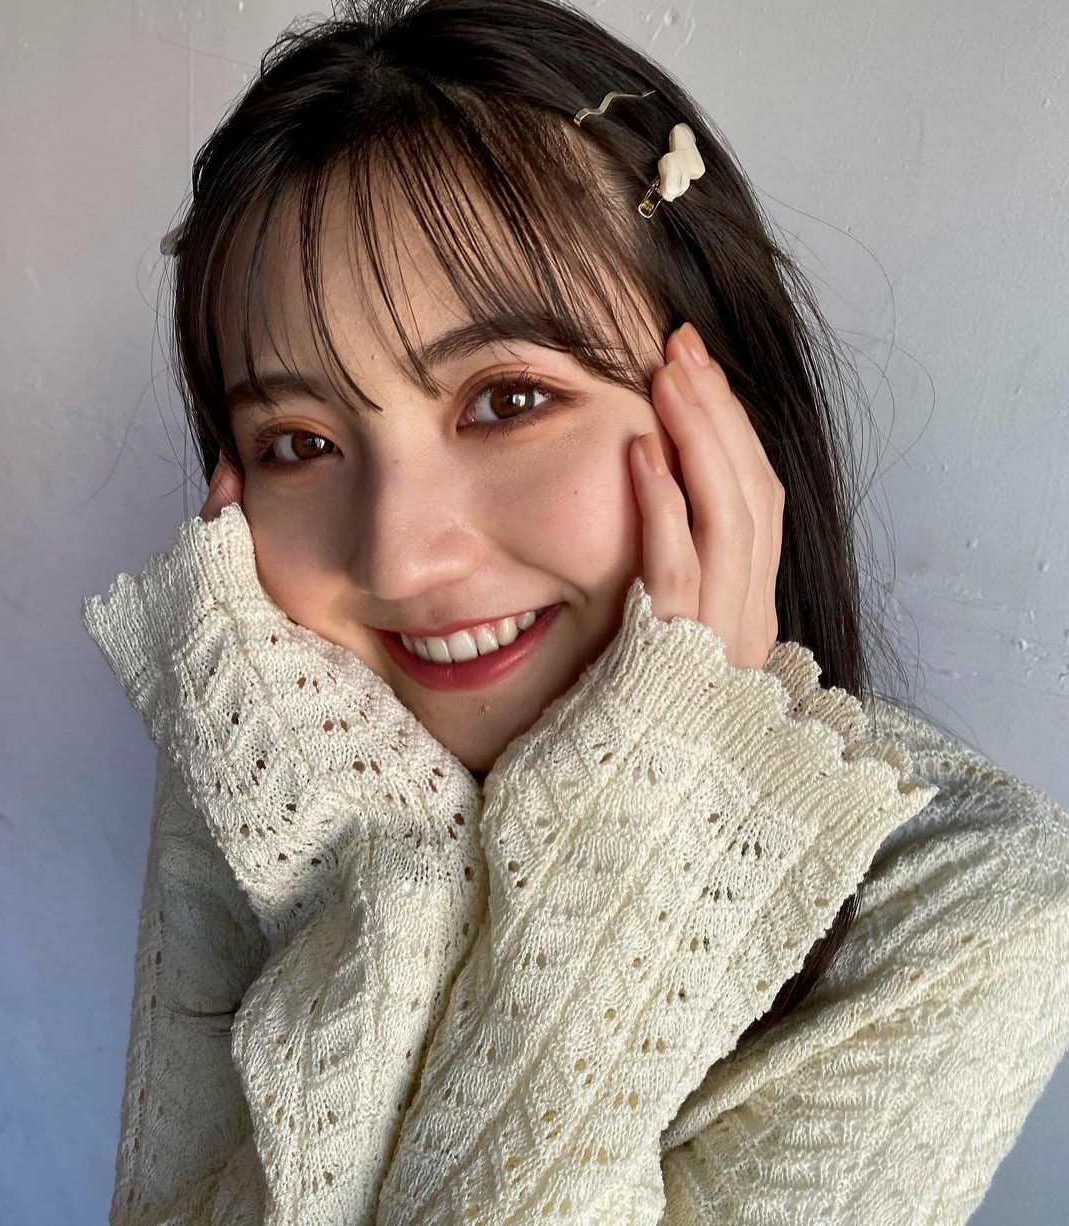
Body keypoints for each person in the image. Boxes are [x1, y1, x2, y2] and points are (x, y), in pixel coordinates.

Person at [80, 0, 1069, 1222]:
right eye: (298, 441)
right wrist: (386, 854)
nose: (397, 554)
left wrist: (640, 848)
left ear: (724, 416)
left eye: (507, 400)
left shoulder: (970, 903)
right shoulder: (278, 742)